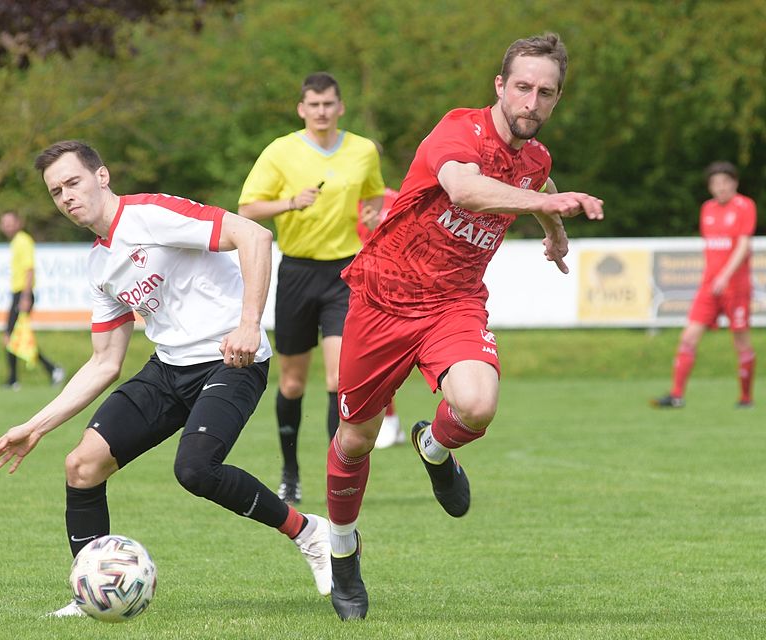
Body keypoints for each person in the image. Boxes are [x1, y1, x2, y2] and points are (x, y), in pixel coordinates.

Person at [0, 141, 331, 617]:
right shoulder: (98, 266)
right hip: (169, 369)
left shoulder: (150, 214)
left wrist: (249, 323)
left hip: (232, 361)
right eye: (56, 191)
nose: (66, 197)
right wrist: (36, 426)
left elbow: (254, 236)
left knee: (195, 469)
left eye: (73, 182)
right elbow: (105, 362)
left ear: (101, 177)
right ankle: (94, 594)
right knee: (82, 466)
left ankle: (309, 532)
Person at [323, 33, 604, 620]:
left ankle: (433, 446)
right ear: (500, 87)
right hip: (382, 298)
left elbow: (540, 183)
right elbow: (465, 189)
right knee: (355, 440)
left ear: (556, 100)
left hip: (453, 302)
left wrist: (554, 233)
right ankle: (343, 552)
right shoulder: (459, 130)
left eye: (545, 93)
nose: (532, 102)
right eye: (522, 87)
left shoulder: (536, 161)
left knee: (477, 405)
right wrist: (547, 210)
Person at [238, 72, 386, 505]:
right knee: (291, 383)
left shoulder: (362, 150)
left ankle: (334, 470)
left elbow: (375, 195)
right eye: (313, 105)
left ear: (340, 107)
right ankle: (290, 472)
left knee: (340, 378)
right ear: (302, 109)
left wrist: (374, 216)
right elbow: (247, 207)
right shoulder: (281, 151)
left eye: (329, 104)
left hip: (345, 272)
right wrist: (289, 203)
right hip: (298, 273)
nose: (321, 111)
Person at [653, 161, 757, 409]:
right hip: (709, 287)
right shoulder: (707, 209)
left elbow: (743, 245)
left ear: (734, 183)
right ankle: (676, 395)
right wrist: (714, 277)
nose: (720, 187)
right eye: (715, 183)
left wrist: (725, 275)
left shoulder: (745, 206)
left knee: (741, 340)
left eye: (724, 182)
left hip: (736, 287)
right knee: (688, 336)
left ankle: (745, 398)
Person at [357, 186, 405, 449]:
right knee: (368, 362)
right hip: (356, 290)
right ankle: (389, 421)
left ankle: (390, 421)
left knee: (386, 361)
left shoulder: (394, 198)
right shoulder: (343, 202)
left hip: (391, 292)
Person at [0, 211, 65, 389]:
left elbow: (29, 270)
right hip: (18, 294)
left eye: (10, 222)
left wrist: (26, 297)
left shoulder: (23, 241)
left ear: (18, 223)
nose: (7, 226)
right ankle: (50, 370)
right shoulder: (16, 242)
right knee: (17, 338)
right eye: (4, 223)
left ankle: (14, 379)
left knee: (11, 337)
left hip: (23, 294)